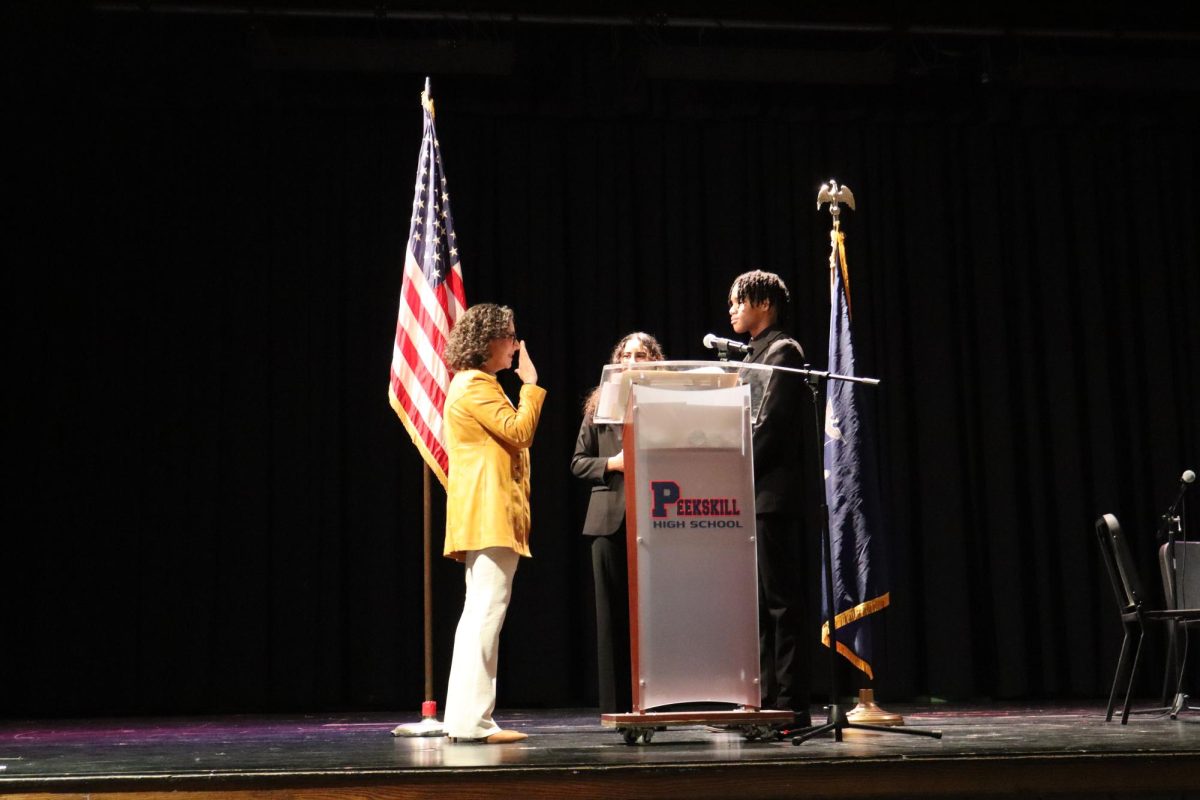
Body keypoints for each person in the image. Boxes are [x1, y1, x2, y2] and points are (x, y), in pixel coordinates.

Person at [441, 303, 546, 744]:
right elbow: (519, 432)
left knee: (478, 615)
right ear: (488, 342)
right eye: (510, 336)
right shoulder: (476, 386)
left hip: (488, 513)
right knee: (485, 614)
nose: (516, 345)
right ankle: (473, 723)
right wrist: (531, 387)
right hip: (488, 513)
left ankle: (463, 718)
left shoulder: (475, 384)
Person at [728, 269, 812, 728]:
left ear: (764, 303)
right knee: (754, 605)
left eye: (739, 301)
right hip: (744, 497)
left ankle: (791, 704)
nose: (732, 309)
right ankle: (759, 701)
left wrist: (731, 464)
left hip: (771, 496)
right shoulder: (748, 356)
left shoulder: (785, 352)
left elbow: (771, 429)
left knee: (780, 602)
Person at [570, 332, 666, 714]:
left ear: (654, 362)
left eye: (641, 355)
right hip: (608, 522)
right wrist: (612, 464)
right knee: (612, 616)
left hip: (659, 519)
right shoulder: (598, 406)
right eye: (626, 354)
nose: (632, 360)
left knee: (653, 615)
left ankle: (656, 704)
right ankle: (617, 707)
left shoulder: (667, 402)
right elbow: (578, 462)